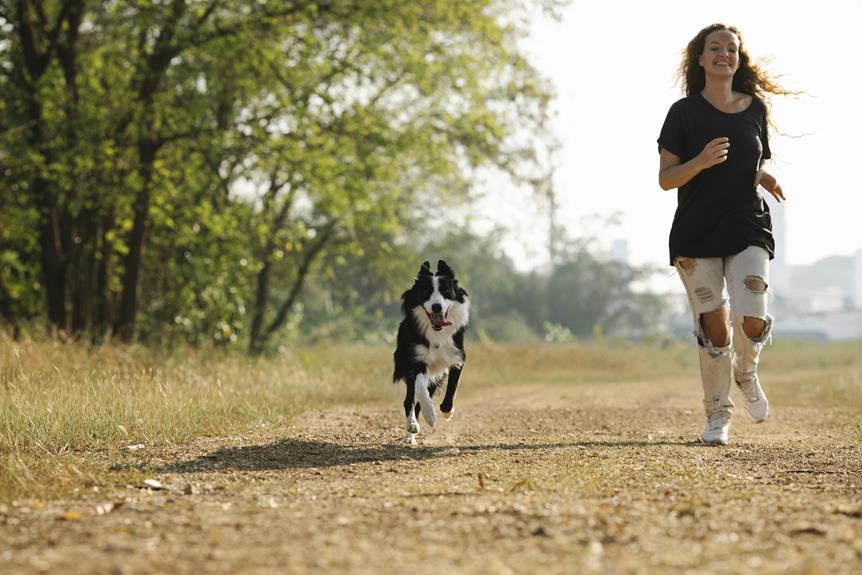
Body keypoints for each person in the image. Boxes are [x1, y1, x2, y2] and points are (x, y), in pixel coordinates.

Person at [657, 24, 791, 445]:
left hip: (746, 222)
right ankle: (717, 415)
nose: (723, 54)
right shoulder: (683, 113)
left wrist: (762, 174)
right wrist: (698, 161)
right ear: (700, 59)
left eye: (731, 49)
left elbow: (743, 164)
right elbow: (666, 179)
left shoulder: (755, 109)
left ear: (738, 58)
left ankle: (746, 373)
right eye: (714, 48)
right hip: (696, 231)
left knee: (751, 317)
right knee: (715, 329)